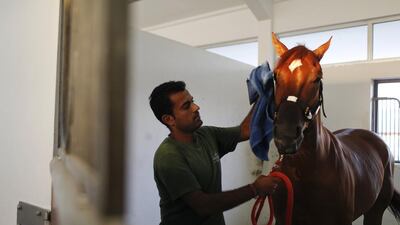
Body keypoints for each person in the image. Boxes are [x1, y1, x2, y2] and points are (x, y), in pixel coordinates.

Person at [149, 81, 279, 225]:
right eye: (186, 106)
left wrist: (264, 94)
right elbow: (203, 206)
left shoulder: (207, 135)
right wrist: (255, 189)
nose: (196, 107)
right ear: (169, 119)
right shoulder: (169, 156)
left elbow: (245, 130)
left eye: (192, 101)